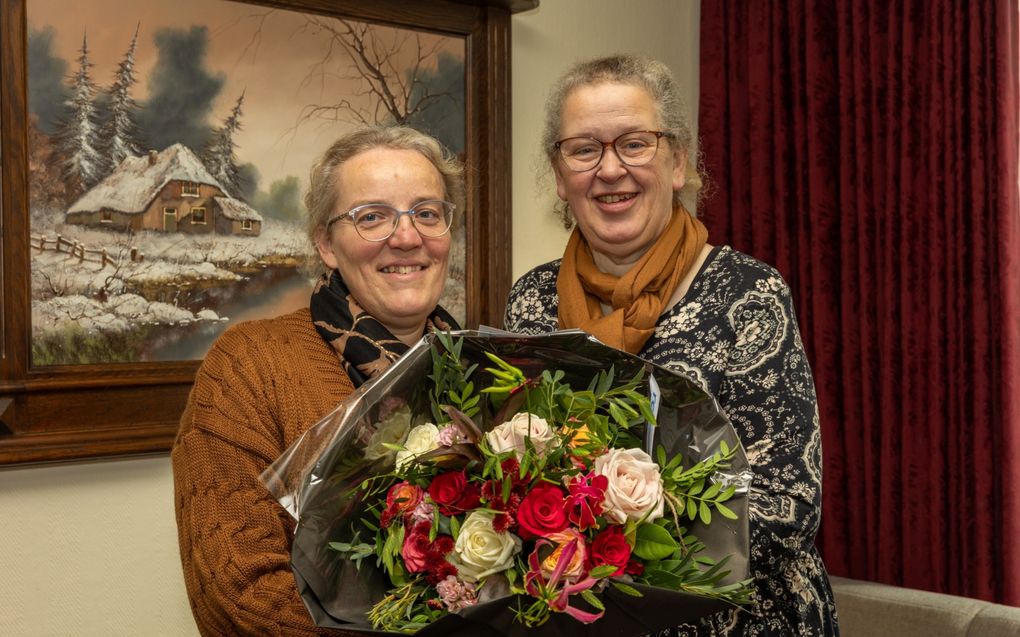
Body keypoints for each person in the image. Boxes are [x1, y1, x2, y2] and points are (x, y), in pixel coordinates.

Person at [504, 54, 840, 636]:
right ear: (559, 175)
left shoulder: (748, 294)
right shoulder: (530, 303)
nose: (610, 170)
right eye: (584, 150)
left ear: (678, 160)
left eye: (635, 143)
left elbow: (788, 503)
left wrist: (615, 558)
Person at [172, 126, 464, 636]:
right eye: (371, 216)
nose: (406, 236)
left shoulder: (485, 370)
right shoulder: (249, 366)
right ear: (326, 243)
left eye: (427, 212)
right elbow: (237, 593)